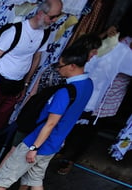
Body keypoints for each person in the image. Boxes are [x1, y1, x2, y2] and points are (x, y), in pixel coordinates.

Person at [0, 43, 93, 190]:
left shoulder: (65, 92)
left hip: (38, 142)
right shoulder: (88, 84)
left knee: (5, 176)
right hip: (55, 143)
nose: (58, 70)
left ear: (72, 66)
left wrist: (34, 147)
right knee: (35, 177)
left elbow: (50, 124)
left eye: (61, 66)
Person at [0, 0, 63, 157]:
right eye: (52, 17)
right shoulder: (14, 32)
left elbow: (36, 58)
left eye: (56, 17)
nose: (54, 21)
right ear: (41, 13)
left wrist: (25, 83)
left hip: (16, 85)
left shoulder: (45, 33)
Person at [56, 22, 132, 174]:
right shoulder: (110, 40)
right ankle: (61, 150)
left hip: (105, 96)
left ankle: (69, 158)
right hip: (85, 88)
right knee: (71, 122)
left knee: (87, 129)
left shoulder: (123, 51)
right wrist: (105, 33)